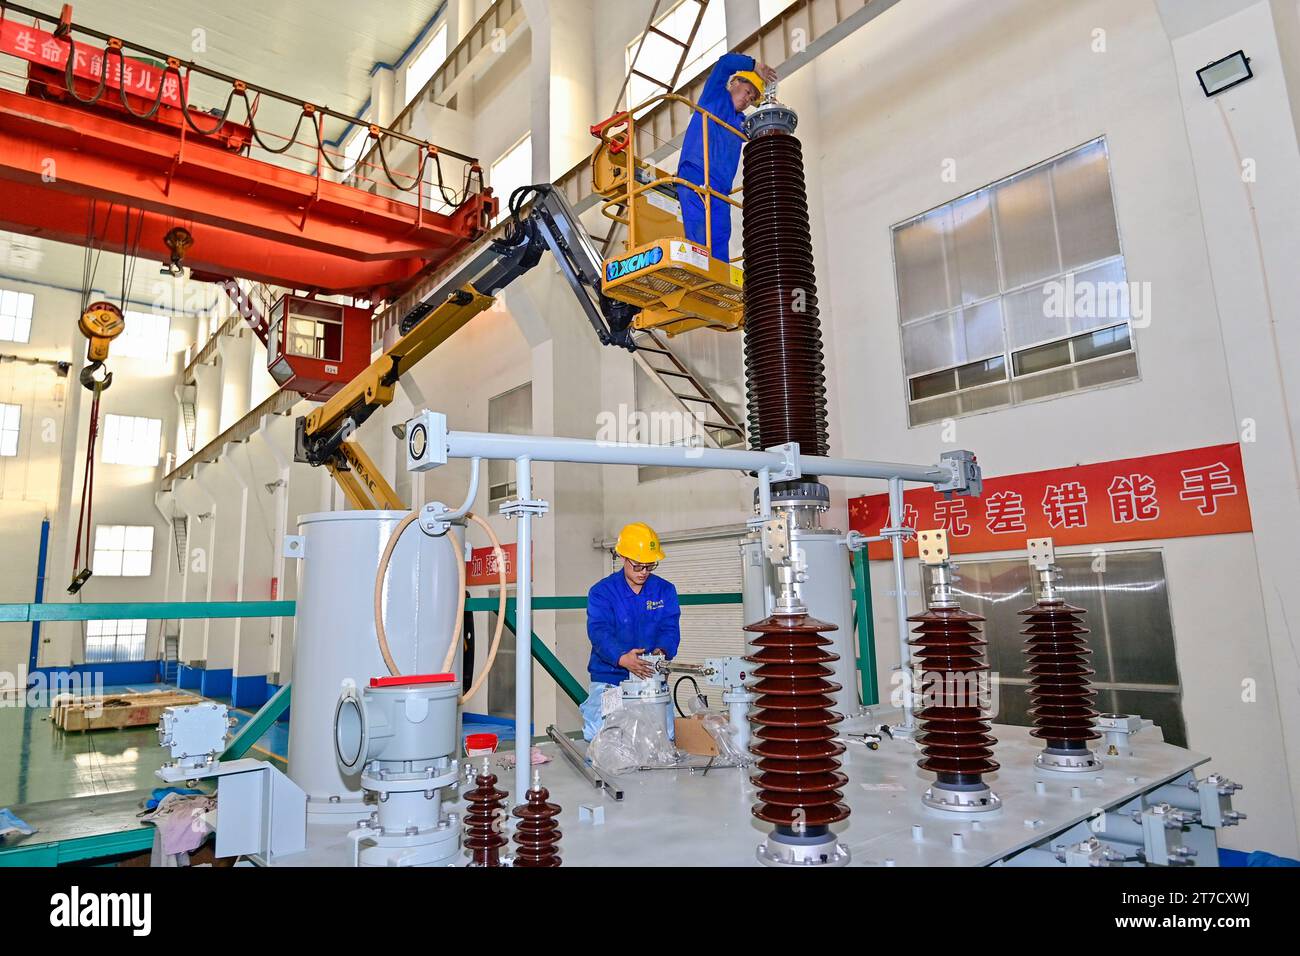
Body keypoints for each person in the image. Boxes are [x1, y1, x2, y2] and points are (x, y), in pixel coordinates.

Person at [580, 522, 681, 741]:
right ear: (623, 558)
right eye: (637, 566)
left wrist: (661, 653)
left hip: (650, 678)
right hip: (611, 680)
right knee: (602, 736)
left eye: (649, 566)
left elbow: (670, 627)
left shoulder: (665, 590)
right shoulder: (601, 592)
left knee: (663, 737)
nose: (644, 572)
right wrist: (621, 658)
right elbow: (599, 631)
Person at [676, 53, 778, 262]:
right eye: (747, 91)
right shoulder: (714, 97)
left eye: (751, 99)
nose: (747, 100)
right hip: (695, 174)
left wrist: (770, 112)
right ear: (734, 83)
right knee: (699, 232)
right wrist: (754, 65)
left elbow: (762, 131)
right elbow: (724, 63)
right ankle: (701, 274)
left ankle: (717, 284)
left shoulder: (742, 123)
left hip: (720, 188)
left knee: (721, 235)